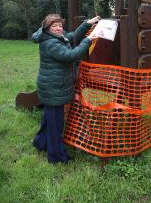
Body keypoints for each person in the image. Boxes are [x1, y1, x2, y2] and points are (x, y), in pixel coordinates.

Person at [31, 13, 100, 164]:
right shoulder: (51, 43)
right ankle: (57, 157)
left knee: (50, 119)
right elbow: (70, 55)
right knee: (56, 124)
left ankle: (40, 143)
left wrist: (88, 24)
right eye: (54, 26)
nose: (58, 28)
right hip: (53, 88)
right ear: (47, 28)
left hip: (53, 85)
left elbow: (74, 35)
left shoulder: (58, 37)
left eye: (60, 25)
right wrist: (88, 40)